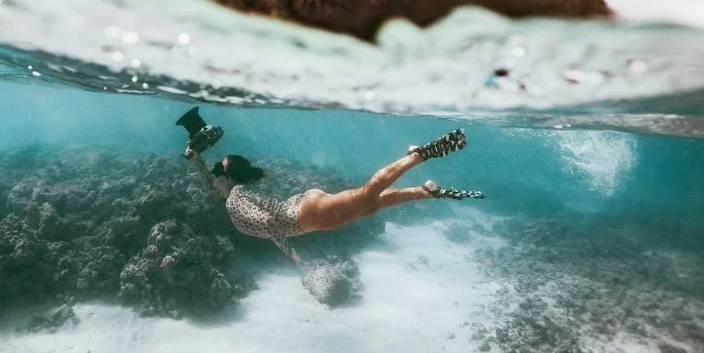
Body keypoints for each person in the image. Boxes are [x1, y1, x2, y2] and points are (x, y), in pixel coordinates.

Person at [185, 129, 484, 265]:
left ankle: (418, 156)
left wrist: (291, 254)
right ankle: (425, 192)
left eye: (216, 174)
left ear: (227, 179)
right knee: (369, 207)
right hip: (305, 209)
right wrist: (194, 157)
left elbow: (270, 223)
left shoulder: (234, 198)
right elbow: (215, 185)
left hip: (306, 216)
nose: (212, 180)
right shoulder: (231, 193)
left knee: (367, 195)